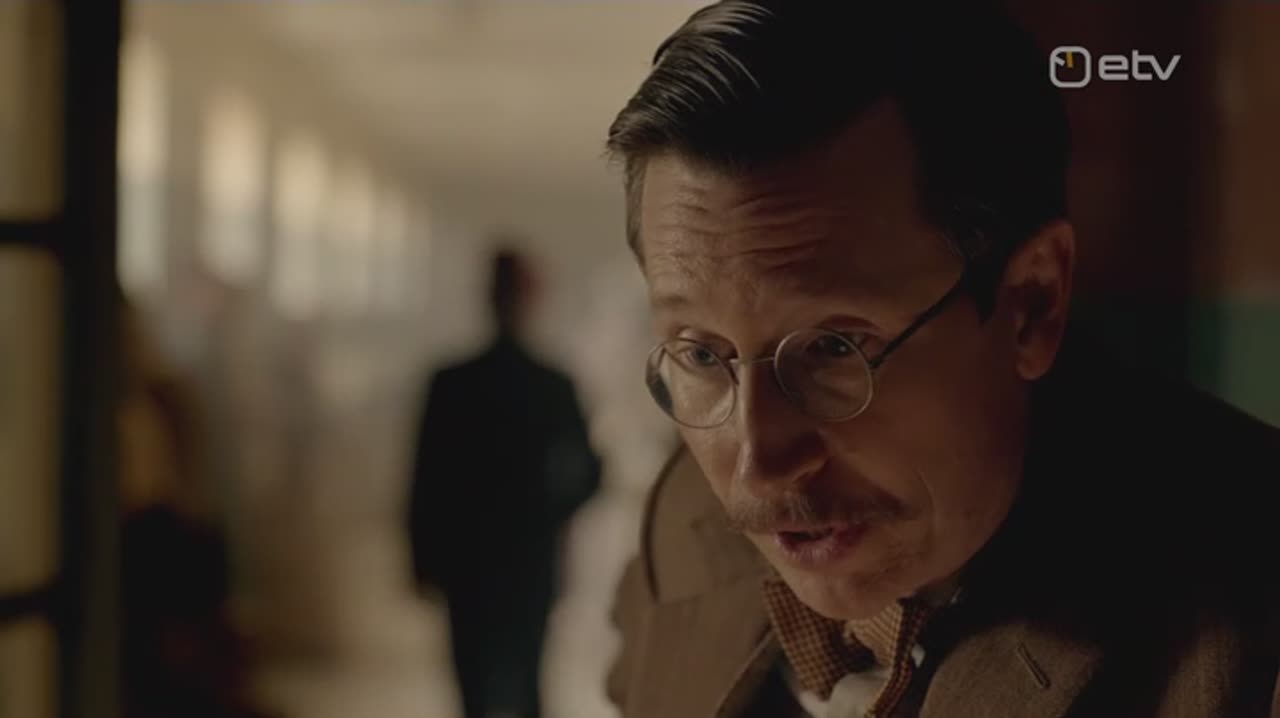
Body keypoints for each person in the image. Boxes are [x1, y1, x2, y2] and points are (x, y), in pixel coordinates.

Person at [602, 2, 1280, 717]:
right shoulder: (686, 524)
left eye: (832, 348)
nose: (756, 467)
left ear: (1031, 304)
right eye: (701, 353)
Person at [408, 247, 602, 718]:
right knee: (527, 681)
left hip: (468, 560)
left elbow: (424, 481)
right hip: (526, 559)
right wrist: (546, 515)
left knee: (473, 685)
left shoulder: (452, 383)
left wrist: (421, 555)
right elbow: (590, 474)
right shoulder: (551, 386)